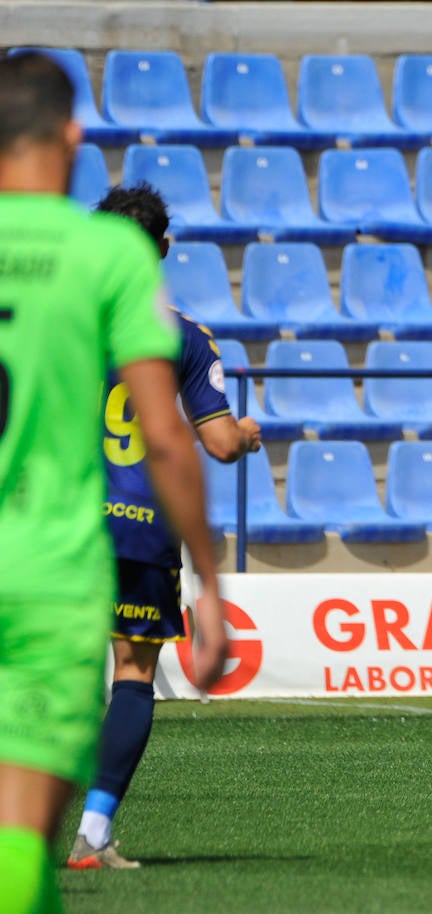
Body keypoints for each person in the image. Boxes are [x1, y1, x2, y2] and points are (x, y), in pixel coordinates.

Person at [0, 52, 227, 914]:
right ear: (70, 135)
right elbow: (169, 437)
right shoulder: (106, 262)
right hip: (57, 554)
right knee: (27, 819)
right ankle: (89, 838)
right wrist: (209, 578)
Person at [66, 185, 261, 870]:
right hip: (141, 525)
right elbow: (214, 444)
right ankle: (93, 832)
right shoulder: (182, 335)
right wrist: (243, 433)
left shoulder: (50, 320)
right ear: (164, 250)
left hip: (55, 521)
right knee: (132, 673)